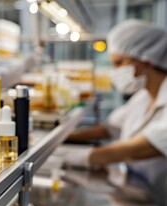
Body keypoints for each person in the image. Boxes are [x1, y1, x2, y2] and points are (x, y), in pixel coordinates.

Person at [66, 20, 167, 196]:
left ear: (146, 61)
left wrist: (70, 157)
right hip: (143, 190)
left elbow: (137, 150)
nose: (115, 72)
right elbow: (108, 128)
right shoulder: (143, 96)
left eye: (119, 63)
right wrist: (64, 138)